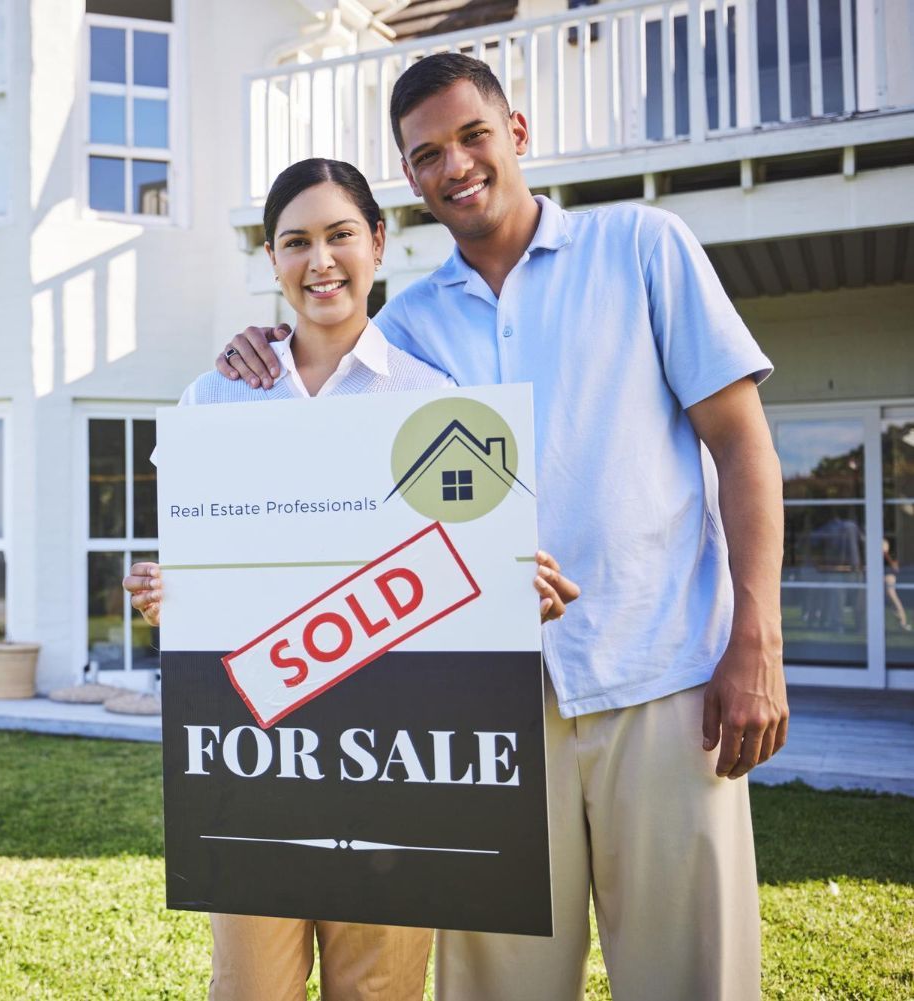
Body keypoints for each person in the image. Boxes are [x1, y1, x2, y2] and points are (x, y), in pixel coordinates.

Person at [211, 52, 787, 1001]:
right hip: (492, 716)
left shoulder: (643, 247)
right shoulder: (408, 330)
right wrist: (263, 346)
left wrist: (754, 635)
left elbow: (743, 446)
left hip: (667, 679)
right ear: (410, 176)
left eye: (473, 135)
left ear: (517, 133)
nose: (457, 164)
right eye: (428, 151)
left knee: (694, 982)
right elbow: (333, 423)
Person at [125, 155, 580, 1001]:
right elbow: (200, 575)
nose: (320, 260)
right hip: (252, 762)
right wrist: (165, 592)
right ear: (271, 259)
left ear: (378, 240)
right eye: (296, 241)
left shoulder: (433, 400)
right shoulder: (216, 401)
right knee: (250, 988)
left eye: (340, 235)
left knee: (378, 991)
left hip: (395, 767)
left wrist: (516, 588)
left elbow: (465, 579)